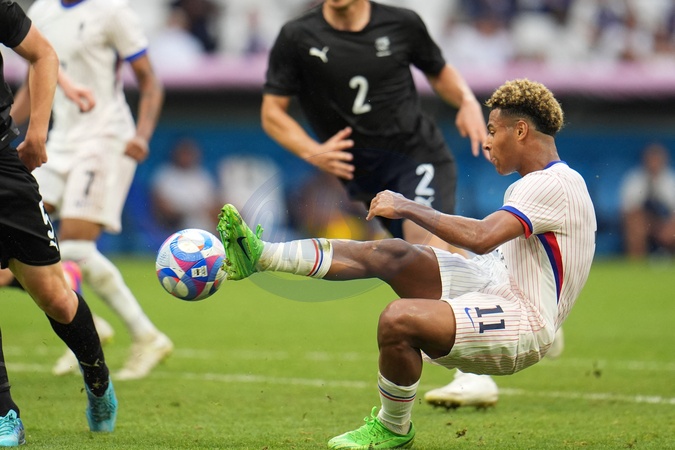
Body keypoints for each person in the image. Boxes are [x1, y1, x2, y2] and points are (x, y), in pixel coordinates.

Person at [218, 79, 597, 449]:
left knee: (398, 320)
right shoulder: (542, 182)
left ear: (521, 131)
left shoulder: (553, 184)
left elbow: (483, 236)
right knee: (392, 254)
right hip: (495, 282)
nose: (486, 141)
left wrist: (408, 206)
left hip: (524, 317)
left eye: (493, 131)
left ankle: (393, 428)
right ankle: (261, 255)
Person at [261, 0, 499, 407]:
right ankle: (511, 299)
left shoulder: (402, 23)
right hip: (367, 177)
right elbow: (272, 112)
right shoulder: (297, 36)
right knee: (429, 260)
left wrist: (466, 102)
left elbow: (439, 72)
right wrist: (311, 150)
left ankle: (474, 374)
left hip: (416, 156)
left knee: (426, 248)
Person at [11, 0, 173, 381]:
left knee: (75, 248)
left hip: (105, 139)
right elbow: (35, 78)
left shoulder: (112, 12)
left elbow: (150, 81)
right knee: (15, 236)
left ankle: (146, 336)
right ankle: (89, 323)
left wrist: (142, 135)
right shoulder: (43, 11)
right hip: (59, 142)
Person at [0, 1, 118, 444]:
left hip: (4, 172)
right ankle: (5, 414)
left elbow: (43, 53)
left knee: (56, 299)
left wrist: (37, 132)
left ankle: (98, 380)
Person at [150, 137, 220, 232]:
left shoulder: (202, 175)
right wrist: (188, 211)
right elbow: (162, 207)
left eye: (189, 153)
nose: (186, 157)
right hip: (176, 228)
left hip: (204, 227)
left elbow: (214, 205)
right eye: (184, 153)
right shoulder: (165, 174)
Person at [620, 142, 675, 259]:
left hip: (666, 223)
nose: (654, 162)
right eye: (651, 159)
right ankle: (637, 264)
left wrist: (666, 227)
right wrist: (652, 225)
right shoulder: (634, 178)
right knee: (635, 226)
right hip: (644, 223)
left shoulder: (671, 179)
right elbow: (629, 211)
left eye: (657, 159)